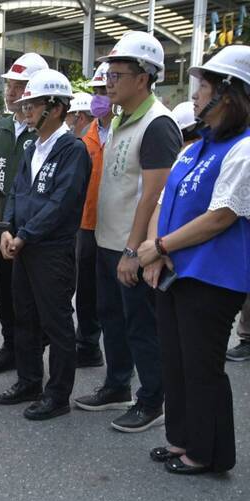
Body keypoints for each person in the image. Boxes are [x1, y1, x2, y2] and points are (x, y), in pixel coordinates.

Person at [137, 45, 250, 474]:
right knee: (177, 361)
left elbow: (221, 216)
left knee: (202, 367)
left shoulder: (244, 148)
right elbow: (165, 200)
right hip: (174, 271)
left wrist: (161, 248)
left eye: (204, 87)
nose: (196, 95)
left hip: (212, 278)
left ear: (230, 94)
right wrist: (153, 251)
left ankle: (207, 452)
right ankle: (182, 439)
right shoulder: (195, 147)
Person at [74, 31, 182, 433]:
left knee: (140, 326)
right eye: (108, 74)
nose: (109, 82)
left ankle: (152, 400)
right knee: (111, 318)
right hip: (106, 241)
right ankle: (117, 386)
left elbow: (153, 195)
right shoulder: (120, 119)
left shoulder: (158, 125)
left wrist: (134, 251)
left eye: (117, 74)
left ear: (144, 77)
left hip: (128, 248)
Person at [0, 70, 91, 420]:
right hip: (24, 245)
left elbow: (61, 203)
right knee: (25, 317)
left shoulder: (72, 150)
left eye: (32, 104)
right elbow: (17, 193)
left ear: (55, 107)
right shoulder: (32, 147)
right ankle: (29, 380)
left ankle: (58, 394)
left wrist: (24, 234)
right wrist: (8, 229)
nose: (26, 110)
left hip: (52, 250)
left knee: (56, 322)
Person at [0, 52, 49, 375]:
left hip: (33, 228)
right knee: (4, 293)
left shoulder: (45, 131)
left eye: (18, 86)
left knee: (32, 296)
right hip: (1, 222)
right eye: (9, 85)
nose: (10, 93)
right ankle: (10, 345)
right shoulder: (0, 127)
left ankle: (30, 350)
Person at [74, 63, 113, 369]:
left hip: (117, 227)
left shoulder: (127, 129)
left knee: (113, 296)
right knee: (86, 290)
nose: (100, 97)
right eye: (96, 91)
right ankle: (88, 346)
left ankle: (119, 361)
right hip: (86, 224)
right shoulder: (87, 134)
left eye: (104, 91)